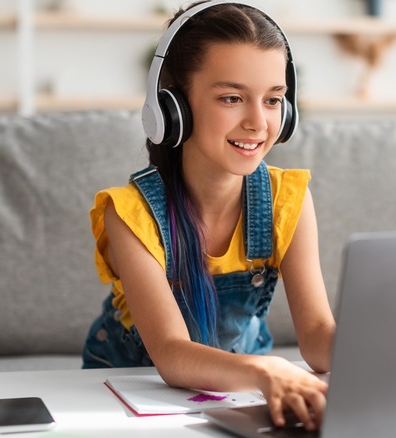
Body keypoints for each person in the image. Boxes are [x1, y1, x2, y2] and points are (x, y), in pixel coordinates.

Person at [81, 0, 336, 431]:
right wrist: (265, 370)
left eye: (274, 100)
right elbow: (172, 352)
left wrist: (390, 349)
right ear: (173, 108)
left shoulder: (287, 199)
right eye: (232, 98)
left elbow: (315, 337)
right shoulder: (130, 213)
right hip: (132, 392)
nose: (259, 122)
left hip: (241, 390)